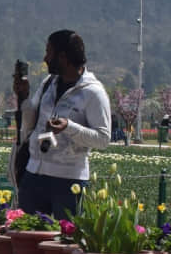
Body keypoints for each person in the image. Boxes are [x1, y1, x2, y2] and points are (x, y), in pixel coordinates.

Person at [9, 30, 111, 219]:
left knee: (63, 243)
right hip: (34, 176)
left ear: (63, 57)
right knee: (27, 240)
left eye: (49, 52)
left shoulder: (93, 93)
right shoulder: (49, 83)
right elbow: (32, 120)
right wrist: (23, 97)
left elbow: (103, 138)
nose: (45, 58)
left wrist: (69, 127)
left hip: (68, 181)